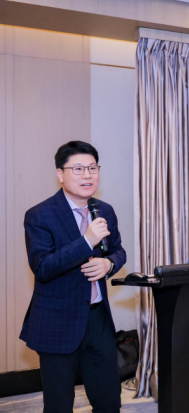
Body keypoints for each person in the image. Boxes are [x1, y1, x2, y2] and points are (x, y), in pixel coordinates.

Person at [20, 141, 126, 413]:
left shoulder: (104, 210)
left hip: (98, 319)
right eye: (78, 169)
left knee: (109, 400)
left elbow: (118, 251)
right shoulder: (39, 215)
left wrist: (108, 264)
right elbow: (42, 267)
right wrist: (86, 242)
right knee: (59, 405)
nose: (87, 175)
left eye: (92, 168)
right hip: (57, 321)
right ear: (60, 174)